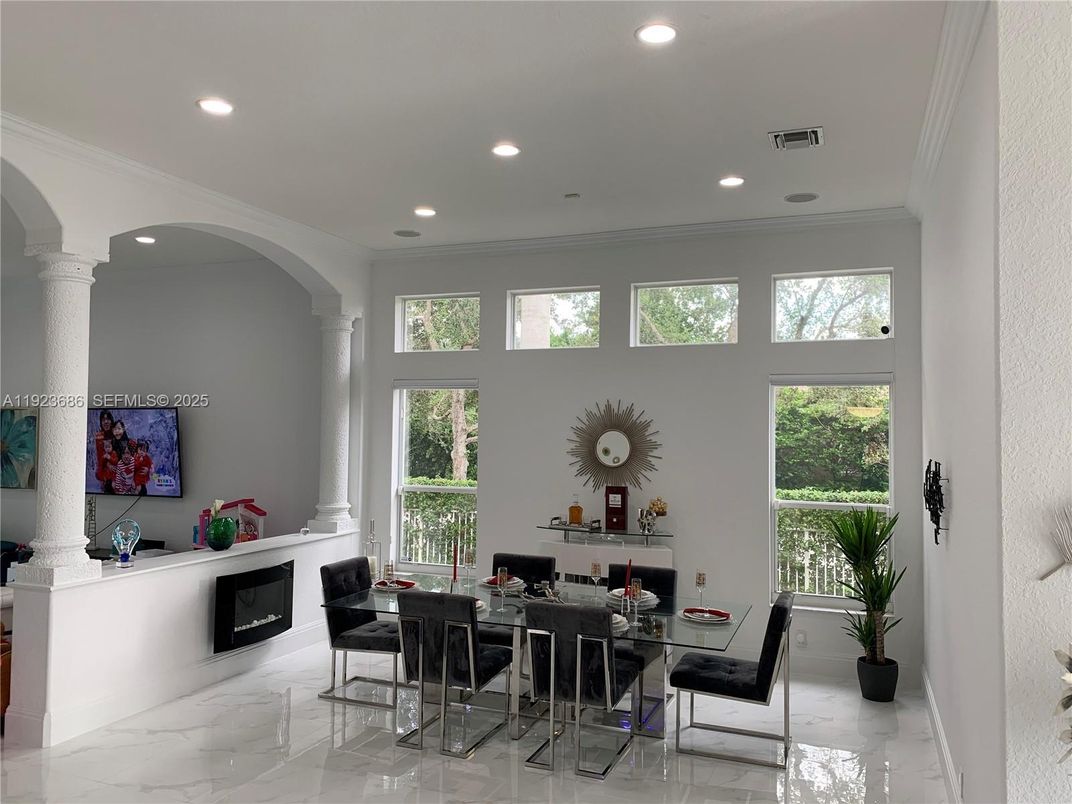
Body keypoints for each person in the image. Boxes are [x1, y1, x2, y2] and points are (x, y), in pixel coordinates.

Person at [93, 409, 116, 493]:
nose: (106, 422)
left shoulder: (116, 432)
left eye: (108, 419)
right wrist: (107, 464)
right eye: (103, 420)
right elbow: (100, 455)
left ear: (111, 420)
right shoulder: (99, 435)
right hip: (106, 469)